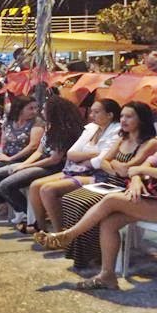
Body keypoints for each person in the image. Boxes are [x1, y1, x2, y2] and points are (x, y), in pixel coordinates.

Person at [37, 103, 157, 293]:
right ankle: (107, 276)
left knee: (112, 200)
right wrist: (136, 179)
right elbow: (142, 166)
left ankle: (69, 235)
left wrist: (139, 171)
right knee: (109, 222)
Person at [39, 102, 157, 269]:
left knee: (84, 203)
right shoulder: (122, 138)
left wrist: (114, 165)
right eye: (122, 116)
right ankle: (76, 248)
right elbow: (104, 161)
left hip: (127, 186)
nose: (123, 120)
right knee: (71, 199)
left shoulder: (151, 143)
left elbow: (128, 169)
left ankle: (90, 252)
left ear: (141, 119)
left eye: (129, 116)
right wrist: (116, 167)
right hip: (110, 182)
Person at [27, 99, 122, 233]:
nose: (91, 115)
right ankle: (41, 229)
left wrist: (86, 158)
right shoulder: (91, 128)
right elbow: (71, 153)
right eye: (91, 112)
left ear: (110, 115)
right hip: (76, 169)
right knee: (35, 186)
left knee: (47, 190)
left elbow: (102, 159)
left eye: (96, 112)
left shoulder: (117, 131)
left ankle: (60, 233)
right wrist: (92, 155)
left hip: (98, 174)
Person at [0, 96, 85, 229]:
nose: (40, 112)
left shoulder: (65, 130)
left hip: (53, 167)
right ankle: (28, 214)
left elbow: (54, 159)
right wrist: (23, 165)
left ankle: (32, 217)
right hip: (41, 162)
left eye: (44, 109)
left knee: (6, 185)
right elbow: (39, 151)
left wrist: (28, 166)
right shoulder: (49, 127)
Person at [0, 95, 45, 215]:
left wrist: (11, 158)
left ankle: (22, 210)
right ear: (20, 109)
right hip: (6, 155)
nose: (35, 111)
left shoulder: (37, 123)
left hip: (24, 158)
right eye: (30, 108)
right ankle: (4, 202)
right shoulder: (9, 121)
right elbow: (2, 143)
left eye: (36, 108)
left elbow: (33, 146)